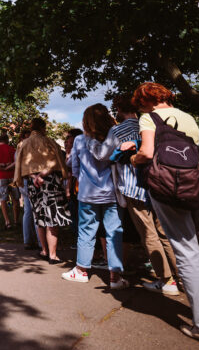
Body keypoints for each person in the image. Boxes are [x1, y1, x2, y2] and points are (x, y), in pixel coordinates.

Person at [128, 82, 199, 346]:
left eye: (140, 103)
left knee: (188, 254)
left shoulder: (148, 118)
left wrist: (133, 158)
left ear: (145, 101)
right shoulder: (189, 118)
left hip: (169, 192)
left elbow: (147, 152)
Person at [87, 95, 179, 295]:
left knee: (148, 234)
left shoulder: (117, 130)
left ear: (119, 110)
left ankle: (166, 280)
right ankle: (181, 275)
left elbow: (102, 154)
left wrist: (91, 143)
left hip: (133, 186)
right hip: (158, 184)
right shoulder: (149, 125)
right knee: (163, 231)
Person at [62, 104, 128, 289]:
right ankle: (115, 276)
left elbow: (74, 167)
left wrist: (80, 179)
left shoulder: (80, 140)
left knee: (86, 232)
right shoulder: (113, 137)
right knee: (114, 232)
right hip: (111, 192)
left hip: (87, 192)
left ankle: (81, 270)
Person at [13, 118, 71, 264]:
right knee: (52, 218)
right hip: (51, 182)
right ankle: (53, 254)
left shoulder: (23, 144)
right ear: (43, 128)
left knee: (39, 216)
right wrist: (43, 175)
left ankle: (44, 250)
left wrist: (34, 176)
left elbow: (21, 166)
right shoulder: (50, 141)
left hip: (33, 184)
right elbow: (57, 161)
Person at [0, 134, 19, 227]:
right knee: (15, 199)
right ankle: (16, 221)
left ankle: (7, 221)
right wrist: (7, 165)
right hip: (12, 177)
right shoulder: (12, 149)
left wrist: (1, 164)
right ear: (7, 140)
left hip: (1, 177)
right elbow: (16, 162)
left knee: (3, 199)